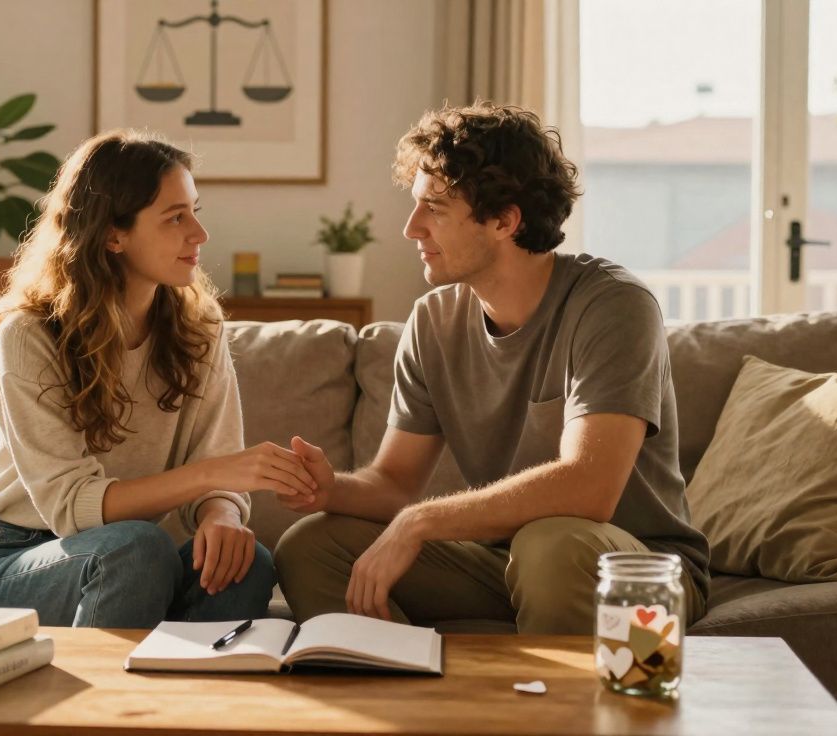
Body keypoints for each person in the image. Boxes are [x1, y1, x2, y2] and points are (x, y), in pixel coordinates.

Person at [273, 102, 710, 634]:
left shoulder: (613, 305)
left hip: (636, 571)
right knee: (312, 546)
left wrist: (423, 521)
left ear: (505, 220)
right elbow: (393, 483)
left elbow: (589, 488)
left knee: (549, 544)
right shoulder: (433, 320)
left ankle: (551, 714)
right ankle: (395, 697)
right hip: (501, 564)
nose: (411, 228)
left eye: (434, 208)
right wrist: (330, 490)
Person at [0, 130, 315, 627]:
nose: (199, 234)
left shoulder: (200, 329)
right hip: (20, 559)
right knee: (138, 548)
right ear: (112, 234)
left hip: (134, 560)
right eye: (175, 217)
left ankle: (188, 700)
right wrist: (215, 476)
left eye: (195, 210)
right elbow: (71, 507)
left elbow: (214, 467)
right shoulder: (30, 333)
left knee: (248, 564)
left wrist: (223, 516)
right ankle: (108, 705)